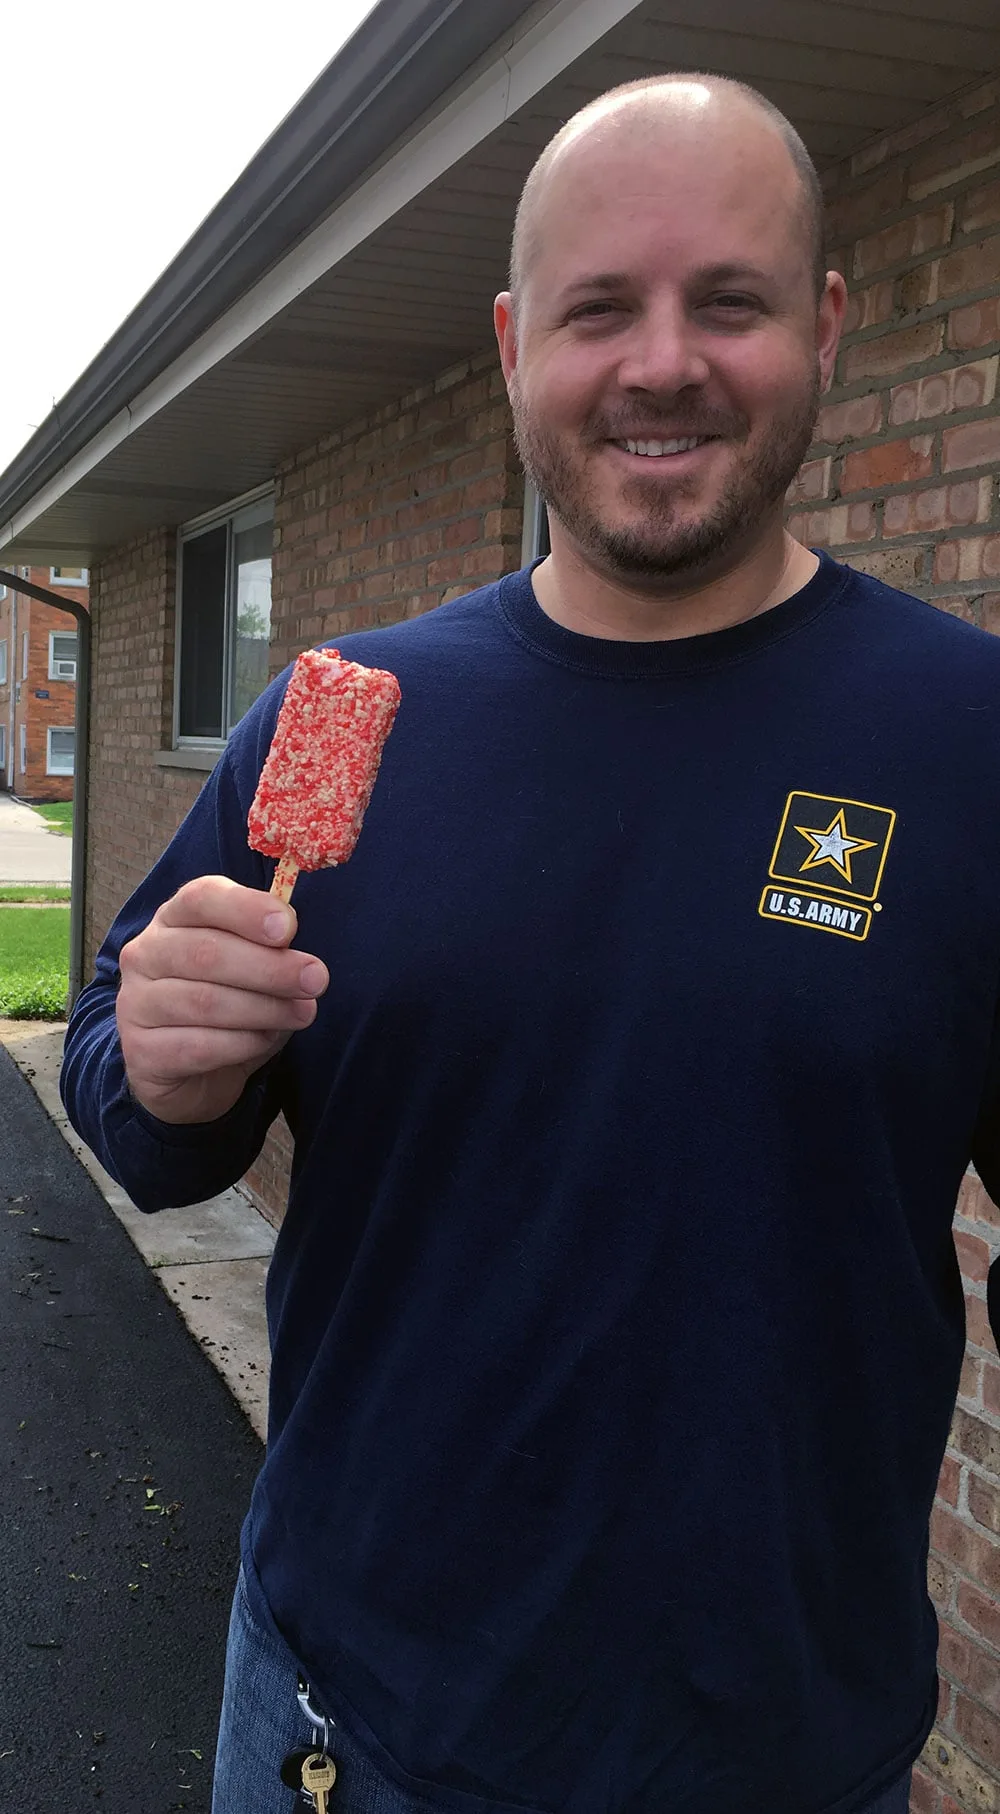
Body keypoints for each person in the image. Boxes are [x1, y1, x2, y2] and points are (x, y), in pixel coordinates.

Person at [60, 73, 1000, 1814]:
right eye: (597, 309)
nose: (662, 361)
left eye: (729, 299)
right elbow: (126, 1101)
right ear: (511, 344)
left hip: (793, 1751)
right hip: (351, 1719)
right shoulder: (339, 715)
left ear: (828, 324)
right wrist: (170, 1062)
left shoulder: (969, 740)